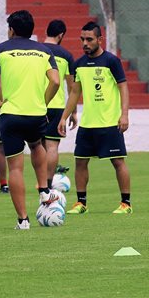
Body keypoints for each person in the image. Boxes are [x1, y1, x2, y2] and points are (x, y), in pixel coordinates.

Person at [0, 10, 60, 230]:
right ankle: (44, 190)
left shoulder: (0, 49)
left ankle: (23, 220)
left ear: (11, 30)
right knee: (36, 145)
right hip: (35, 113)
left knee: (15, 167)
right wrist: (43, 102)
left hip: (11, 115)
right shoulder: (44, 50)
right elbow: (55, 80)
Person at [58, 21, 131, 214]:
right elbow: (75, 93)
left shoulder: (111, 61)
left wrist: (124, 114)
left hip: (109, 122)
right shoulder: (79, 64)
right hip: (88, 123)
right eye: (82, 39)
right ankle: (81, 203)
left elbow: (123, 87)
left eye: (89, 39)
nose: (85, 43)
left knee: (118, 161)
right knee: (80, 161)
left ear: (100, 39)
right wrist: (64, 117)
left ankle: (126, 204)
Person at [42, 20, 77, 187]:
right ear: (61, 35)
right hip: (56, 106)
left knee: (38, 147)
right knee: (52, 147)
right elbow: (72, 87)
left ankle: (41, 182)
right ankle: (48, 184)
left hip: (37, 104)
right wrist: (74, 112)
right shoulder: (66, 55)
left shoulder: (37, 50)